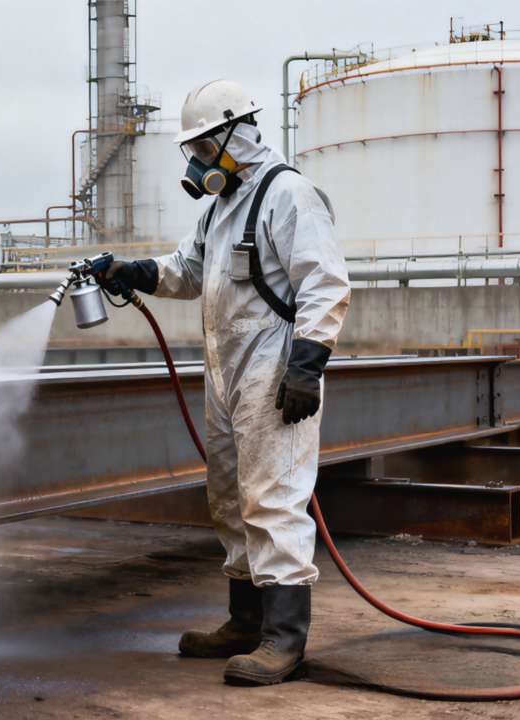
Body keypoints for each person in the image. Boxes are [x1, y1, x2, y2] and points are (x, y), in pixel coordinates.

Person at [99, 79, 351, 686]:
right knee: (229, 497)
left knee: (272, 497)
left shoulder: (287, 193)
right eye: (194, 152)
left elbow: (325, 283)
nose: (198, 162)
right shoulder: (219, 205)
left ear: (236, 132)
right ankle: (245, 621)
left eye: (205, 149)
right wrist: (130, 270)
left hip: (273, 371)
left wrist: (307, 365)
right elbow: (188, 271)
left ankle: (283, 638)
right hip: (226, 372)